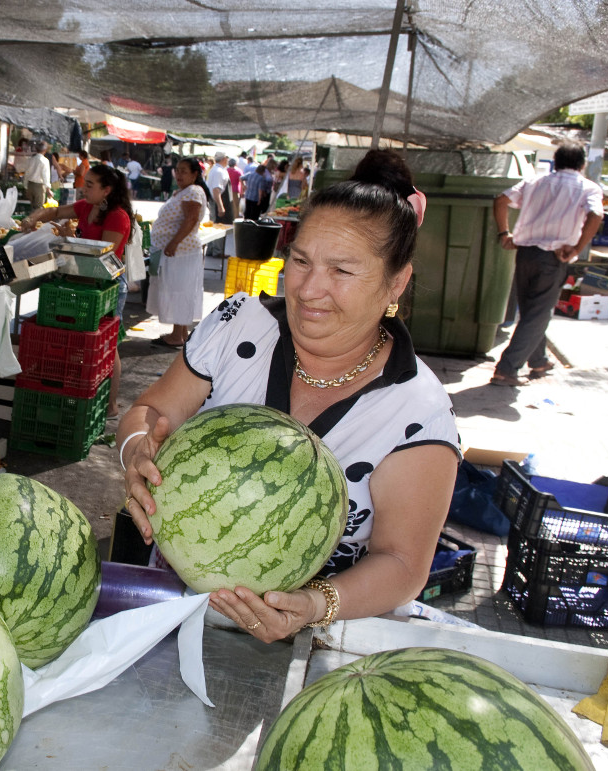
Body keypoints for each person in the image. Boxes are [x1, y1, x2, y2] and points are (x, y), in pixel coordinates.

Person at [118, 148, 460, 643]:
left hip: (311, 635)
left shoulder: (418, 410)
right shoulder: (239, 324)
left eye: (342, 271)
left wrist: (313, 604)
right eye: (300, 261)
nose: (310, 289)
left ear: (396, 283)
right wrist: (135, 452)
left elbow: (404, 563)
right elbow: (149, 412)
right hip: (170, 608)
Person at [19, 164, 133, 417]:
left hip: (106, 286)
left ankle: (111, 405)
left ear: (107, 190)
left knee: (107, 345)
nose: (83, 187)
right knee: (83, 343)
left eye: (90, 185)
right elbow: (57, 211)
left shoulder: (117, 216)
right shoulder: (87, 207)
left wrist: (72, 239)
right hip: (81, 281)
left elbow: (104, 255)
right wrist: (34, 218)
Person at [490, 143, 603, 387]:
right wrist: (577, 248)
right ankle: (507, 368)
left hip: (525, 254)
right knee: (539, 314)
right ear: (582, 164)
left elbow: (501, 200)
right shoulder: (587, 187)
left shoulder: (535, 182)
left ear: (556, 161)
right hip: (553, 257)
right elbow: (596, 215)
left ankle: (539, 360)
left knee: (532, 311)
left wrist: (504, 234)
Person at [147, 158, 208, 348]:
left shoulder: (193, 192)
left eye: (184, 171)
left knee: (179, 292)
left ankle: (176, 336)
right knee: (178, 291)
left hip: (182, 252)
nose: (179, 175)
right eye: (177, 170)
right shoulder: (184, 192)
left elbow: (190, 220)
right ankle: (181, 333)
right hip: (177, 252)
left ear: (194, 174)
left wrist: (174, 243)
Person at [25, 141, 52, 209]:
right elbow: (45, 176)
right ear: (45, 150)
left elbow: (27, 174)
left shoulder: (30, 160)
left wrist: (26, 186)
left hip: (30, 185)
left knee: (31, 207)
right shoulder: (44, 161)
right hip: (39, 187)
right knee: (38, 208)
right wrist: (48, 189)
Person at [206, 151, 230, 224]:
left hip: (221, 200)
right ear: (224, 159)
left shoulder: (217, 169)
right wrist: (220, 207)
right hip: (217, 202)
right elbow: (216, 190)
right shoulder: (218, 171)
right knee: (219, 225)